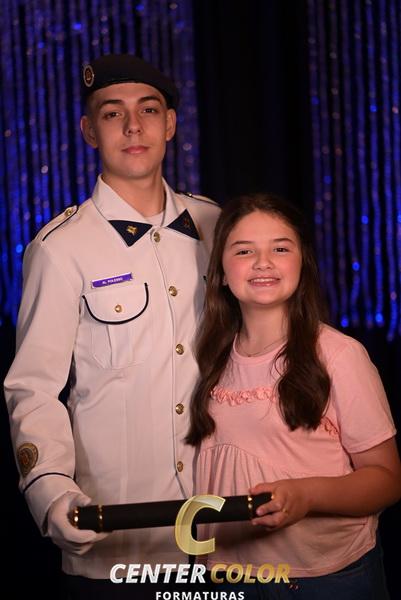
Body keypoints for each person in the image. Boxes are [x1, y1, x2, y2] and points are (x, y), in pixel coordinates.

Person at [4, 54, 220, 596]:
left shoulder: (217, 226)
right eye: (111, 113)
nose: (132, 126)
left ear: (170, 124)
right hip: (118, 539)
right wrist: (52, 492)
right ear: (88, 131)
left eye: (148, 110)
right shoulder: (60, 249)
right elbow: (33, 388)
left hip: (226, 532)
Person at [187, 193, 401, 599]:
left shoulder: (339, 356)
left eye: (280, 249)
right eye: (244, 250)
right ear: (221, 272)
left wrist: (305, 495)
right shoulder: (211, 357)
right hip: (229, 575)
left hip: (323, 580)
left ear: (302, 263)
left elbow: (387, 480)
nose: (263, 262)